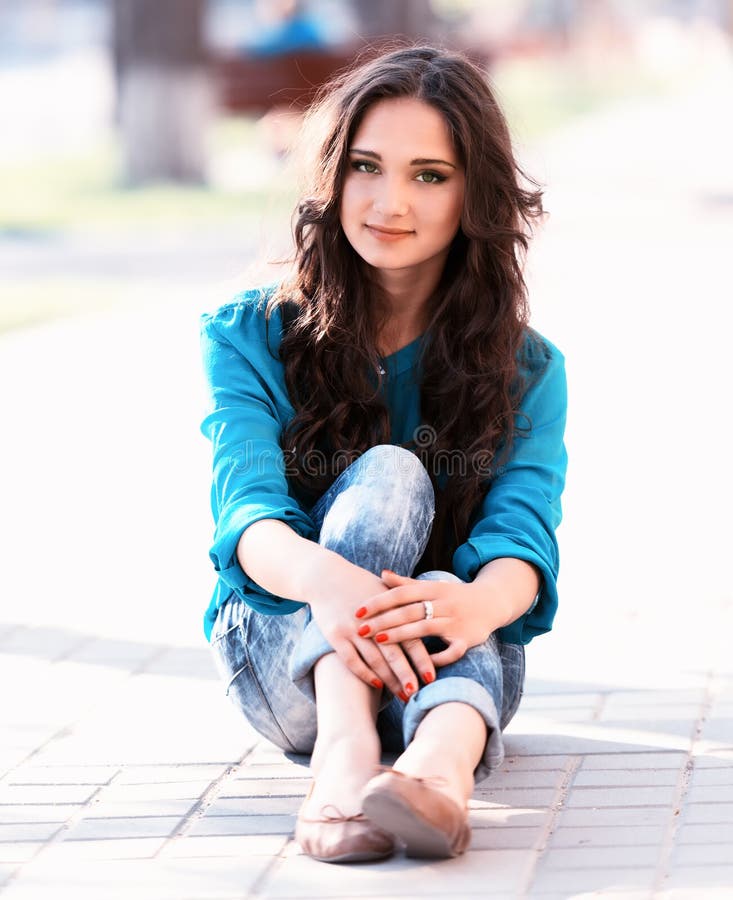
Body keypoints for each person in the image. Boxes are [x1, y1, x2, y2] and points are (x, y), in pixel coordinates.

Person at [199, 44, 567, 863]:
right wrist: (332, 584)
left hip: (443, 661)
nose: (389, 200)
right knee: (394, 475)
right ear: (333, 179)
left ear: (475, 192)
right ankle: (345, 750)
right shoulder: (248, 332)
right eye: (366, 166)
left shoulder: (528, 367)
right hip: (283, 648)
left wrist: (467, 608)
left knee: (457, 590)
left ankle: (437, 783)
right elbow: (248, 515)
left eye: (429, 174)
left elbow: (522, 537)